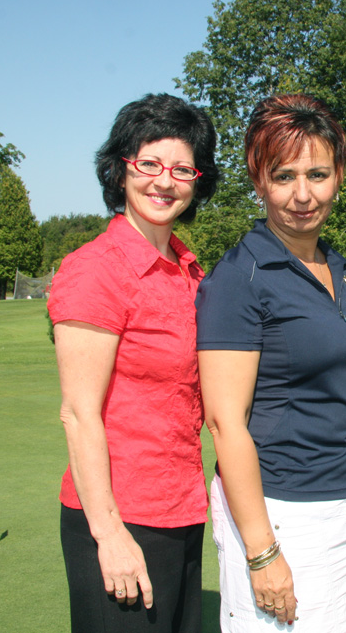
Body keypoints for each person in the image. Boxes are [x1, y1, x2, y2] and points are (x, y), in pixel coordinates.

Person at [195, 93, 346, 632]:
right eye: (283, 176)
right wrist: (261, 553)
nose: (303, 195)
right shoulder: (239, 278)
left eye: (318, 174)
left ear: (339, 176)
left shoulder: (341, 269)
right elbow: (224, 423)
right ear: (259, 180)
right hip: (279, 513)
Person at [48, 93, 218, 633]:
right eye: (148, 163)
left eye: (181, 168)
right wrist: (110, 533)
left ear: (197, 180)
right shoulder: (94, 271)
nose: (164, 181)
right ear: (121, 169)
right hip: (121, 520)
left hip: (182, 510)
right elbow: (79, 412)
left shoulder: (190, 270)